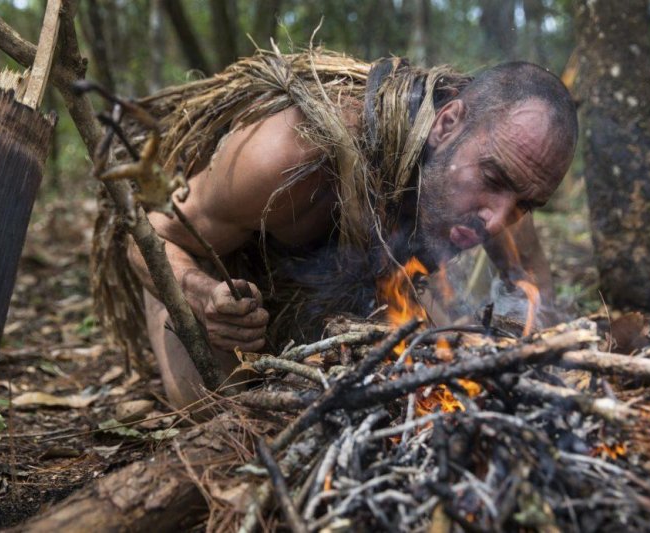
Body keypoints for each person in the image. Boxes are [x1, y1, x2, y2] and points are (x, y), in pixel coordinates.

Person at [96, 50, 577, 408]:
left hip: (352, 282)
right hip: (228, 279)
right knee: (217, 414)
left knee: (446, 377)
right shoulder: (290, 157)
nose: (498, 220)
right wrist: (202, 295)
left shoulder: (507, 184)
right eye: (493, 180)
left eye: (526, 204)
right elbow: (153, 235)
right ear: (448, 123)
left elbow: (531, 287)